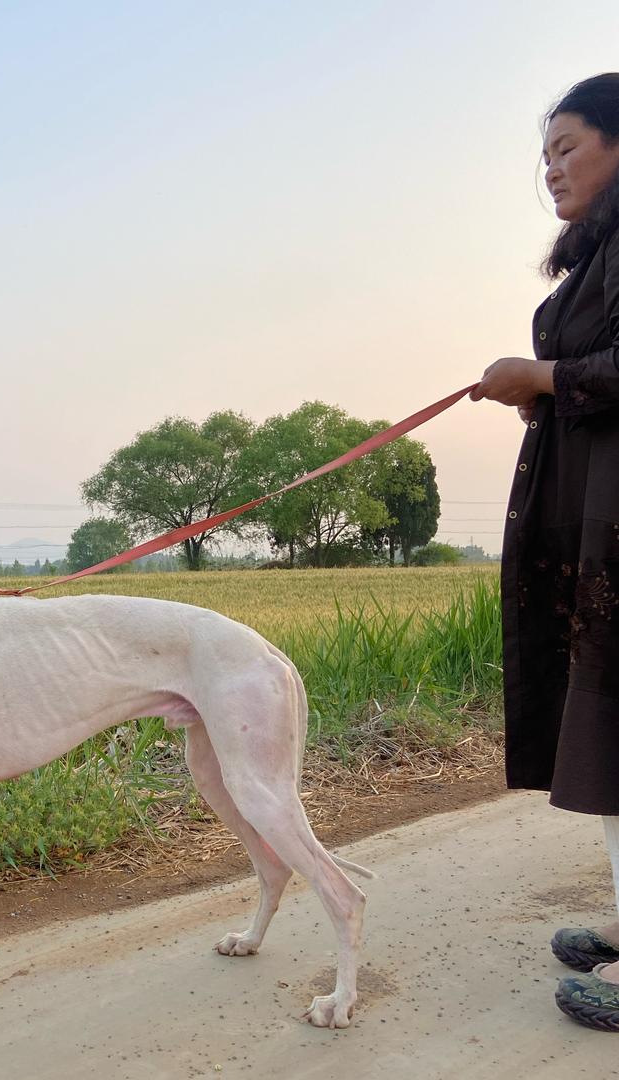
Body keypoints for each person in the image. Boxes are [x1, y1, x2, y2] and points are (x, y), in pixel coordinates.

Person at [471, 73, 619, 1032]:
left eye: (568, 146)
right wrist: (543, 392)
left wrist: (547, 374)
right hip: (591, 532)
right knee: (611, 736)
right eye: (546, 154)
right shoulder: (593, 261)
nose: (551, 169)